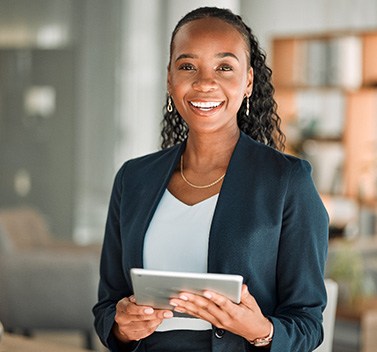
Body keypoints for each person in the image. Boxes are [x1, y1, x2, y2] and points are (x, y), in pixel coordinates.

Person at [93, 6, 329, 352]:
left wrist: (260, 330)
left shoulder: (287, 181)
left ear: (248, 81)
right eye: (187, 66)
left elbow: (307, 324)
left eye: (224, 67)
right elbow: (107, 306)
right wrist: (123, 327)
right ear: (169, 79)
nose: (205, 83)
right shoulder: (134, 178)